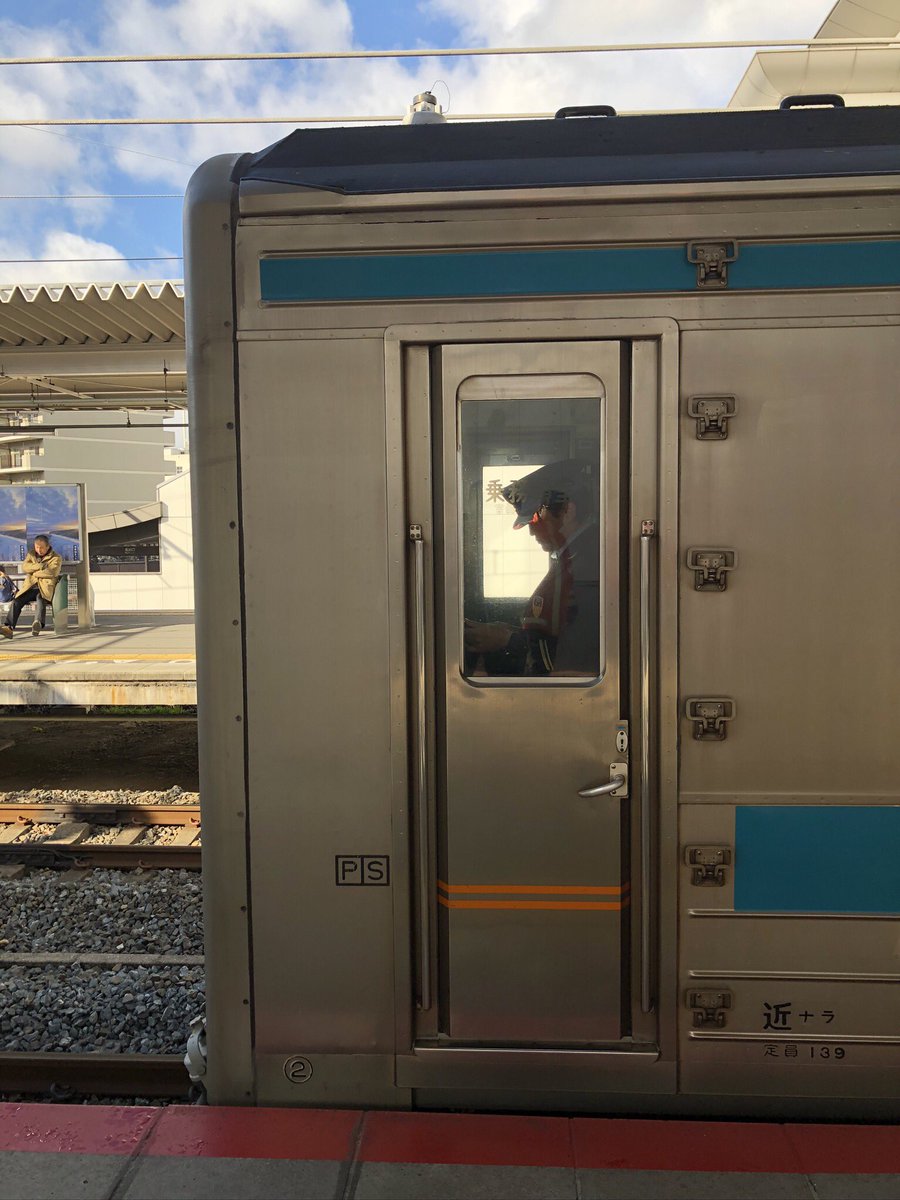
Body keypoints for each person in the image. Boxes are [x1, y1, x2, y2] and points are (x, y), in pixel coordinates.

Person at [464, 459, 600, 677]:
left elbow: (575, 657)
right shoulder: (573, 557)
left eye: (535, 518)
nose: (531, 531)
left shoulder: (589, 564)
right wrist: (507, 632)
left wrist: (507, 640)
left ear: (567, 511)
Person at [0, 535, 63, 638]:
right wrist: (40, 566)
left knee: (40, 598)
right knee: (17, 601)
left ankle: (37, 623)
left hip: (45, 588)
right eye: (37, 547)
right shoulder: (31, 554)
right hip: (30, 587)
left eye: (41, 547)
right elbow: (25, 567)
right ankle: (8, 628)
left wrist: (34, 573)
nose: (39, 550)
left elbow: (52, 572)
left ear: (48, 546)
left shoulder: (56, 557)